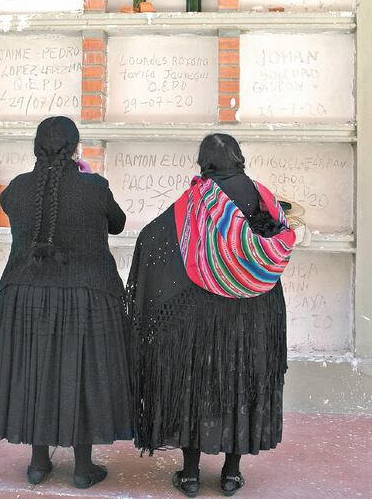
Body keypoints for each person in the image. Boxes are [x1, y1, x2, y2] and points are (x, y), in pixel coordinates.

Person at [127, 134, 295, 497]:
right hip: (255, 308)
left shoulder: (200, 196)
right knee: (243, 382)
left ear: (205, 162)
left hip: (203, 310)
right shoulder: (261, 194)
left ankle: (190, 476)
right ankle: (231, 474)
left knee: (196, 383)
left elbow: (156, 234)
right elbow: (277, 233)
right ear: (238, 157)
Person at [0, 116, 132, 489]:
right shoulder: (94, 187)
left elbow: (25, 207)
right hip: (86, 296)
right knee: (81, 375)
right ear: (75, 148)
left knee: (36, 372)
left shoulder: (16, 189)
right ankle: (82, 468)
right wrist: (86, 177)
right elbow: (117, 223)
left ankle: (38, 464)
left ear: (36, 148)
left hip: (25, 297)